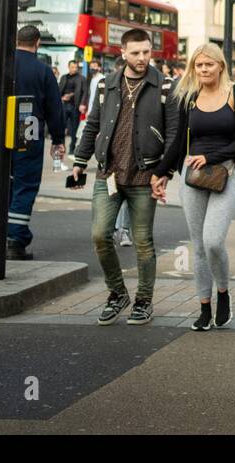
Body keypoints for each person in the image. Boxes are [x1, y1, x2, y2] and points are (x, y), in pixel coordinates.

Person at [72, 30, 179, 326]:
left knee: (143, 241)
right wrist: (80, 161)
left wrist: (164, 172)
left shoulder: (166, 86)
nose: (143, 58)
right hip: (108, 172)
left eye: (146, 52)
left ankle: (144, 300)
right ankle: (117, 293)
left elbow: (173, 135)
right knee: (99, 235)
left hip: (146, 175)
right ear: (123, 53)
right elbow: (93, 122)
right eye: (136, 53)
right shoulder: (108, 84)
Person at [153, 44, 235, 330]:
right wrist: (161, 173)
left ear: (220, 65)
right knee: (198, 246)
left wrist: (212, 157)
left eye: (209, 64)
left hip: (226, 174)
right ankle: (204, 307)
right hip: (193, 178)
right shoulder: (189, 97)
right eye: (199, 65)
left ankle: (223, 293)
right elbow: (177, 141)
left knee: (213, 241)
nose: (204, 70)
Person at [0, 25, 66, 260]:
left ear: (15, 41)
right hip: (28, 135)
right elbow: (54, 108)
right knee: (25, 185)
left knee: (5, 183)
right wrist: (58, 139)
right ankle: (16, 239)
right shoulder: (43, 71)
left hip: (1, 134)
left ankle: (3, 234)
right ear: (37, 43)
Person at [59, 60, 87, 155]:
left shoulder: (81, 78)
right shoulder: (64, 77)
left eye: (76, 67)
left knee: (74, 129)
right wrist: (62, 98)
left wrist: (82, 104)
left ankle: (72, 147)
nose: (74, 69)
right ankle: (61, 146)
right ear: (69, 67)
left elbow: (85, 92)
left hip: (75, 106)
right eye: (72, 67)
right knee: (61, 127)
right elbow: (59, 90)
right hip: (64, 105)